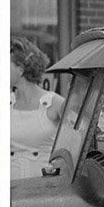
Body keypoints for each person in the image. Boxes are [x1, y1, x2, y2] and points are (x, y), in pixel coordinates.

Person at [9, 37, 61, 179]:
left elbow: (78, 136)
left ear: (20, 69)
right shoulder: (4, 103)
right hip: (10, 191)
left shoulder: (54, 102)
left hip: (43, 191)